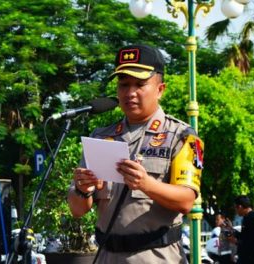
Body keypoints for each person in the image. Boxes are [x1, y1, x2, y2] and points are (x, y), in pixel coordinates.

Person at [67, 44, 204, 263]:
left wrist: (147, 184)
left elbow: (186, 201)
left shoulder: (181, 136)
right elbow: (77, 210)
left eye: (140, 84)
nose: (130, 93)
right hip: (106, 256)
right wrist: (83, 189)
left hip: (156, 256)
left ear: (160, 89)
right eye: (124, 84)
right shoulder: (101, 137)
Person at [233, 195, 254, 264]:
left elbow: (249, 241)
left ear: (240, 207)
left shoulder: (251, 218)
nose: (235, 211)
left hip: (249, 258)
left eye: (235, 208)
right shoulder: (248, 217)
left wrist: (235, 241)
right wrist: (232, 230)